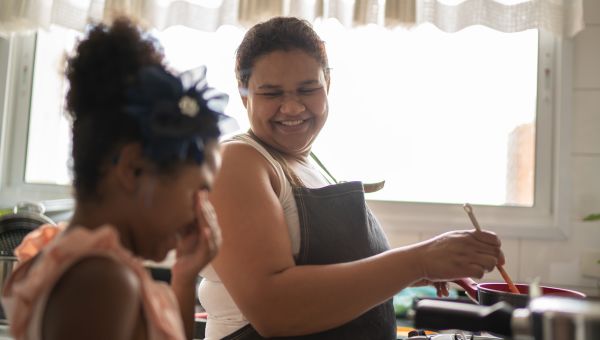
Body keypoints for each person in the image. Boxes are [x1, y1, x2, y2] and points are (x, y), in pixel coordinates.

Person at [198, 16, 505, 340]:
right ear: (245, 94)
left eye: (308, 89)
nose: (291, 107)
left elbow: (328, 275)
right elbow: (274, 309)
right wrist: (419, 261)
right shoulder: (237, 162)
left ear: (327, 85)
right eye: (271, 93)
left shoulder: (310, 164)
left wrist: (430, 268)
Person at [1, 17, 230, 340]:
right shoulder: (101, 280)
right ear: (132, 169)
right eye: (198, 190)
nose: (200, 212)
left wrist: (184, 275)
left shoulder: (61, 259)